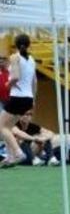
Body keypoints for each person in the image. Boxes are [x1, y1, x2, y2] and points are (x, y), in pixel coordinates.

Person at [1, 34, 37, 168]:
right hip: (28, 98)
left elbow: (15, 77)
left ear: (15, 45)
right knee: (8, 128)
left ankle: (17, 152)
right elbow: (34, 81)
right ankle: (10, 157)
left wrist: (7, 85)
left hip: (17, 97)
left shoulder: (15, 57)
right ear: (28, 45)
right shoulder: (32, 60)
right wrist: (33, 98)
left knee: (1, 127)